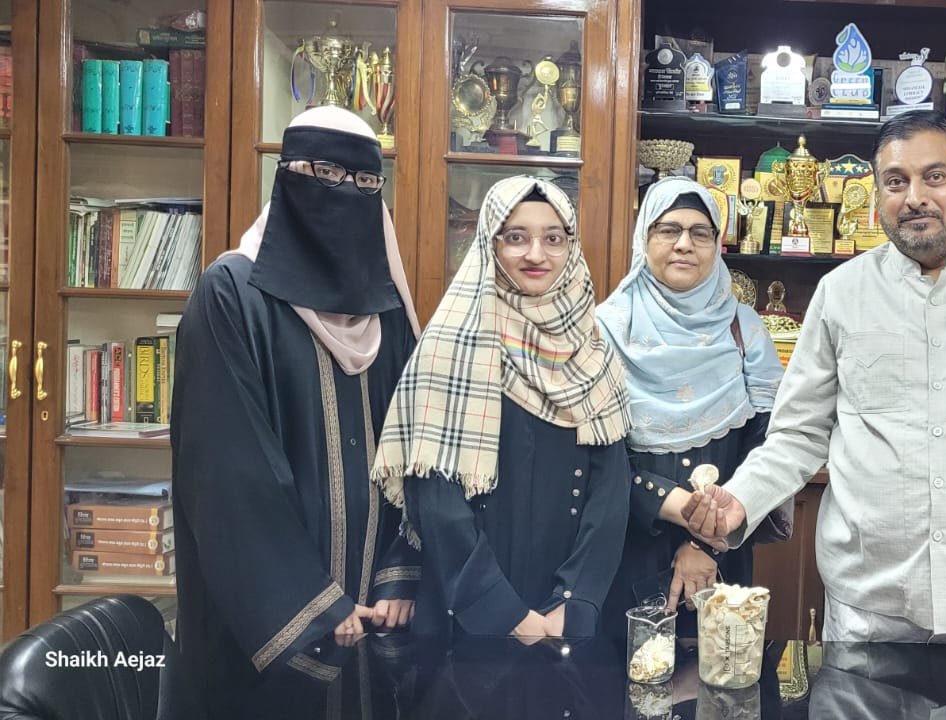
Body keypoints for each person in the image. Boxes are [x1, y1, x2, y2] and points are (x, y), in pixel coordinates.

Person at [686, 110, 946, 647]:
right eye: (896, 181)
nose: (915, 196)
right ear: (877, 195)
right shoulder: (842, 292)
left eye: (934, 176)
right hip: (871, 604)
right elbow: (798, 433)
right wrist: (742, 498)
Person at [170, 106, 421, 718]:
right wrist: (315, 606)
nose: (344, 193)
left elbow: (417, 448)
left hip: (378, 619)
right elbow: (226, 473)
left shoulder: (386, 312)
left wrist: (401, 571)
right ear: (286, 178)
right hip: (269, 627)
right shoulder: (233, 293)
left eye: (363, 183)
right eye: (322, 172)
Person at [371, 175, 631, 643]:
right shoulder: (451, 344)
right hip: (466, 616)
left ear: (570, 247)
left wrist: (576, 599)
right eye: (516, 237)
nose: (536, 254)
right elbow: (433, 496)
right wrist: (503, 611)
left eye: (553, 238)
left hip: (565, 618)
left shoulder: (594, 352)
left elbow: (609, 490)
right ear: (489, 244)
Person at [595, 177, 786, 628]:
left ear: (717, 245)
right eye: (668, 230)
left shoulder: (744, 329)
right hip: (631, 540)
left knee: (725, 678)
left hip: (725, 547)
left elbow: (770, 442)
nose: (684, 244)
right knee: (630, 679)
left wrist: (704, 542)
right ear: (645, 239)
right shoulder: (606, 329)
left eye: (700, 233)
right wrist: (682, 510)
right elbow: (598, 453)